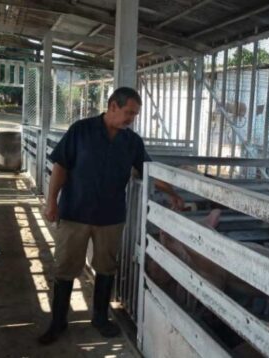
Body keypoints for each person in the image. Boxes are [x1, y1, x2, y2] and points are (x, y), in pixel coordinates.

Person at [39, 87, 184, 345]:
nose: (131, 119)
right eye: (128, 112)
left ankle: (100, 318)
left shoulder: (132, 142)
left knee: (106, 268)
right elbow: (60, 165)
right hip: (75, 213)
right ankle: (58, 322)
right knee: (65, 268)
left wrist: (172, 192)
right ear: (112, 106)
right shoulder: (80, 130)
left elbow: (147, 170)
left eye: (135, 114)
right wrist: (51, 202)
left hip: (110, 217)